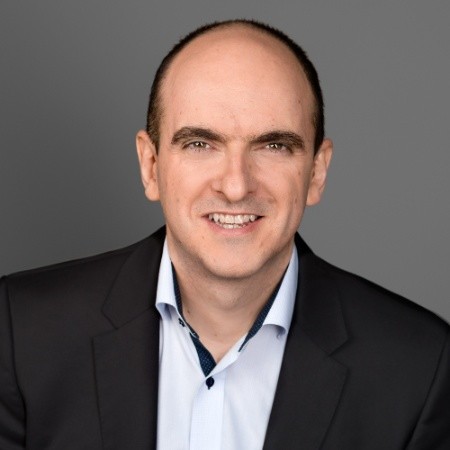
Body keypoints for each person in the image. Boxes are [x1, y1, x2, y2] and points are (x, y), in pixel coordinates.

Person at [1, 19, 449, 450]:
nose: (236, 186)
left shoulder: (420, 367)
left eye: (273, 146)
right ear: (151, 166)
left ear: (316, 172)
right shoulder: (21, 334)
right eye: (200, 144)